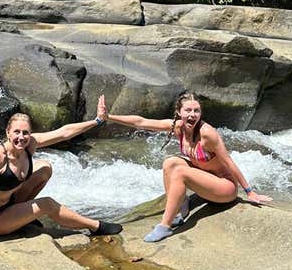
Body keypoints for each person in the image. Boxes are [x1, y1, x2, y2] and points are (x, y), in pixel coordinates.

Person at [98, 92, 272, 242]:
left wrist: (249, 191)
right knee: (170, 163)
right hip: (205, 179)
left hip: (224, 187)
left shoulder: (207, 134)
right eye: (188, 110)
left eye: (196, 110)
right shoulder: (178, 127)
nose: (192, 114)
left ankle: (165, 226)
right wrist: (109, 117)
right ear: (179, 112)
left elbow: (228, 161)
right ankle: (181, 208)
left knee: (180, 171)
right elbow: (141, 122)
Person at [0, 112, 122, 253]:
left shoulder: (29, 144)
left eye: (25, 132)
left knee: (45, 167)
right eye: (16, 132)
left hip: (10, 203)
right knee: (46, 204)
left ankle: (23, 218)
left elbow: (63, 133)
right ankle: (95, 226)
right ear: (8, 132)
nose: (21, 137)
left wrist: (97, 121)